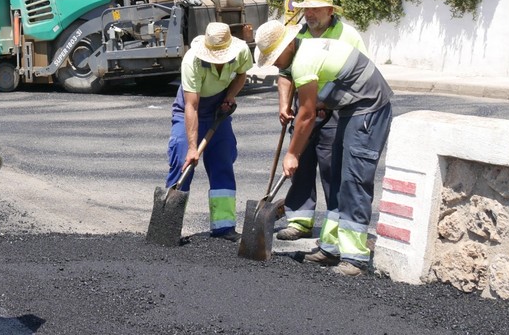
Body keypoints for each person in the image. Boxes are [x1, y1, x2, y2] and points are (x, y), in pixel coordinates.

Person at [255, 20, 393, 277]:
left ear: (287, 46)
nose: (274, 63)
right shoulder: (306, 51)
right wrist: (323, 102)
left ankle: (355, 258)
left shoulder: (303, 60)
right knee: (340, 178)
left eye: (274, 57)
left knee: (353, 181)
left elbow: (306, 116)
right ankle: (331, 247)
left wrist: (292, 154)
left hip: (368, 111)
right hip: (352, 107)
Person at [274, 0, 368, 241]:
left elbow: (360, 73)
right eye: (307, 10)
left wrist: (327, 102)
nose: (310, 15)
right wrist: (284, 105)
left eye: (315, 9)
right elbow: (284, 74)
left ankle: (334, 229)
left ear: (329, 10)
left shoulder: (347, 35)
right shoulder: (299, 35)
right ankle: (300, 220)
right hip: (305, 107)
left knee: (331, 169)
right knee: (300, 164)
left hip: (334, 111)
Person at [165, 22, 252, 240]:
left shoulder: (241, 51)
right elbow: (191, 106)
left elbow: (241, 75)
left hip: (218, 112)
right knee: (183, 163)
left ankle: (224, 227)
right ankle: (167, 227)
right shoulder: (192, 61)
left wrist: (230, 96)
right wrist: (193, 148)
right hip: (191, 111)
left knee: (223, 163)